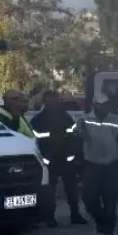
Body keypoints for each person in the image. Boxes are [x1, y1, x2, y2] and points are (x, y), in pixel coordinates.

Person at [30, 90, 87, 227]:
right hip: (49, 162)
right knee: (49, 191)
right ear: (44, 101)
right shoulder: (37, 120)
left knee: (72, 190)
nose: (52, 102)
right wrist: (43, 159)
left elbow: (75, 137)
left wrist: (74, 156)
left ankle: (75, 215)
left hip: (67, 160)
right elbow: (34, 143)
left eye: (54, 99)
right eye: (49, 100)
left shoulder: (66, 117)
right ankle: (50, 218)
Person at [76, 94, 118, 235]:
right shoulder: (84, 120)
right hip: (92, 164)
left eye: (105, 104)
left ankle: (108, 229)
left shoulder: (117, 119)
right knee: (89, 198)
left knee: (110, 198)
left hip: (111, 165)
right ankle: (100, 220)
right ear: (94, 105)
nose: (103, 107)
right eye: (100, 105)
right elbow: (78, 138)